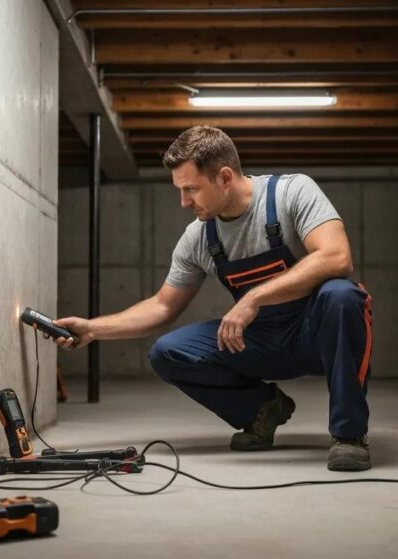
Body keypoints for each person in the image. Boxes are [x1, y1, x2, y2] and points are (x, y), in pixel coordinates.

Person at [53, 126, 374, 471]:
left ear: (224, 177)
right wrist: (92, 329)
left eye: (191, 189)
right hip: (261, 341)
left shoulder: (290, 194)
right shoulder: (199, 237)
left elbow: (337, 257)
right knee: (169, 352)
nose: (184, 202)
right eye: (180, 190)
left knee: (343, 296)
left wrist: (253, 298)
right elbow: (162, 306)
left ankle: (349, 435)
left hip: (316, 335)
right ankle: (263, 411)